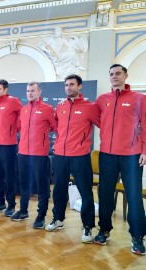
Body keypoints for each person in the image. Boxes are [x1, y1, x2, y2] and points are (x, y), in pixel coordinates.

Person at [94, 64, 146, 255]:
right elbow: (95, 118)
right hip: (107, 154)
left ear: (125, 75)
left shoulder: (139, 98)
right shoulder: (102, 100)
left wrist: (144, 150)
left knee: (134, 196)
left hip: (131, 155)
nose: (114, 76)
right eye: (111, 74)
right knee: (106, 194)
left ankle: (138, 236)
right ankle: (104, 230)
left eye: (118, 73)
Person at [45, 74, 100, 244]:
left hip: (80, 156)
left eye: (72, 84)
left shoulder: (90, 107)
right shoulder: (60, 106)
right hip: (61, 155)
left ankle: (88, 226)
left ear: (80, 86)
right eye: (66, 85)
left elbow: (104, 125)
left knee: (85, 192)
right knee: (59, 190)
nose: (68, 87)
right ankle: (58, 219)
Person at [14, 82, 57, 228]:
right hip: (23, 153)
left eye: (33, 90)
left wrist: (42, 136)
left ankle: (41, 216)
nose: (30, 93)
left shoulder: (48, 109)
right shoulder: (24, 110)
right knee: (24, 183)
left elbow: (55, 127)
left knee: (42, 186)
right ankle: (23, 210)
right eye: (28, 91)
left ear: (39, 92)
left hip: (39, 154)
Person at [0, 79, 22, 217]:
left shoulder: (13, 101)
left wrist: (15, 129)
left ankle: (11, 205)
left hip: (9, 145)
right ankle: (0, 201)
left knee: (9, 177)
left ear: (5, 89)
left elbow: (23, 115)